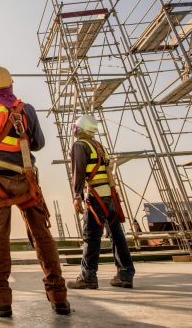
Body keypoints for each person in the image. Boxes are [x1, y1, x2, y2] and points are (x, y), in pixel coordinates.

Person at [0, 66, 69, 317]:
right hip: (26, 178)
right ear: (11, 85)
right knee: (41, 234)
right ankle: (59, 298)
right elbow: (40, 143)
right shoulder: (27, 109)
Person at [67, 114, 135, 289]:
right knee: (117, 235)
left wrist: (77, 197)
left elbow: (78, 173)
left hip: (96, 196)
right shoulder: (99, 146)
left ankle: (88, 277)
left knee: (91, 236)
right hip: (110, 196)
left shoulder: (80, 146)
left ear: (80, 129)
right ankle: (125, 274)